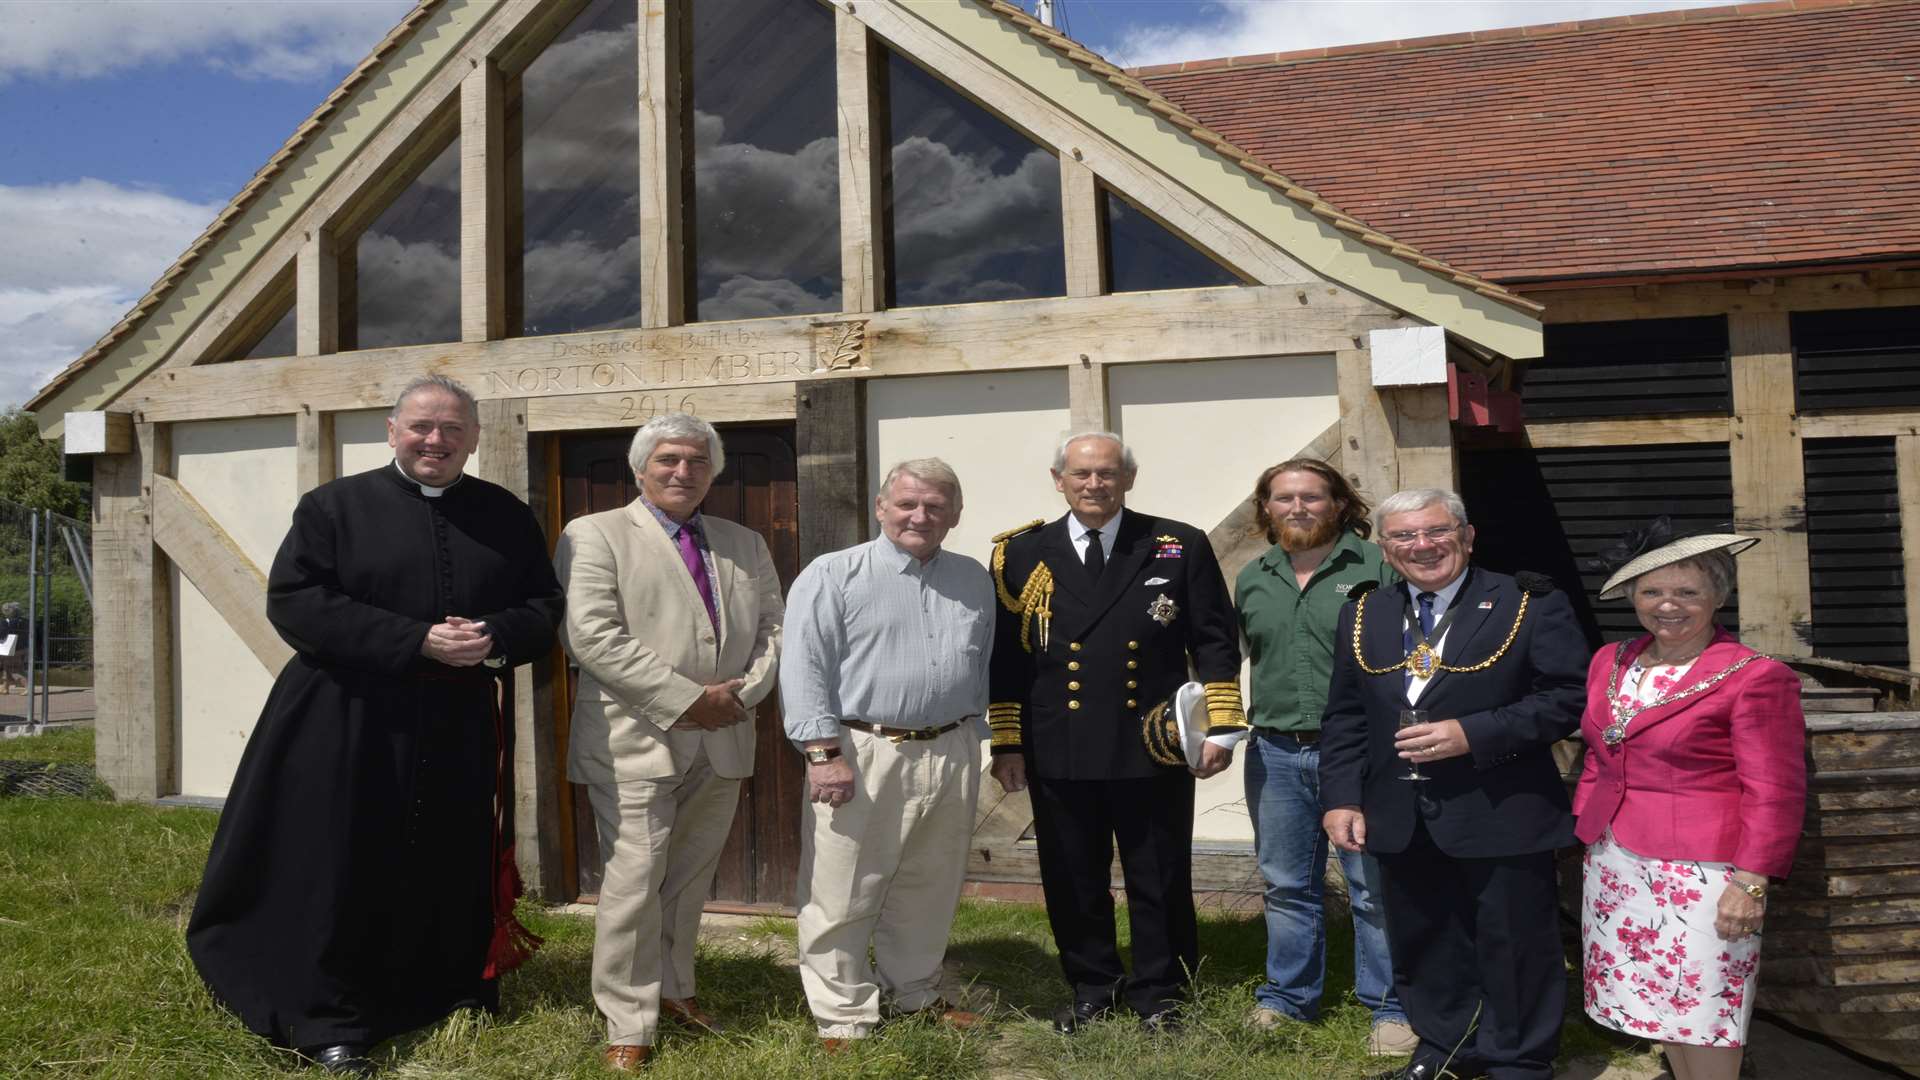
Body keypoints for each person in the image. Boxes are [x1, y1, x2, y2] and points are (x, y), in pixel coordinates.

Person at [187, 375, 564, 1077]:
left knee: (447, 853)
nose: (436, 441)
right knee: (339, 858)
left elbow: (543, 606)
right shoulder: (334, 507)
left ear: (474, 439)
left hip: (456, 720)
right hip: (345, 712)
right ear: (392, 432)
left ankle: (448, 985)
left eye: (453, 429)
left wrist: (492, 635)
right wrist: (416, 639)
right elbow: (297, 602)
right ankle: (327, 1015)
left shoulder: (505, 514)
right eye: (422, 426)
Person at [1319, 488, 1586, 1080]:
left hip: (1501, 805)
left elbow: (1568, 698)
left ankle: (1517, 1060)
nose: (1423, 546)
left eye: (1436, 531)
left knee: (1514, 943)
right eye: (1405, 537)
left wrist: (1475, 732)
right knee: (1424, 939)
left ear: (1466, 536)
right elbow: (1344, 715)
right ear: (1385, 550)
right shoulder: (1365, 613)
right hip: (1397, 809)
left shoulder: (1527, 602)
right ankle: (1445, 1050)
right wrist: (1340, 797)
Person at [988, 431, 1246, 1034]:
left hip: (1149, 744)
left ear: (1128, 479)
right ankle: (1092, 986)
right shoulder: (1021, 553)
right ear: (1059, 480)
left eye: (1107, 473)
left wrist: (1225, 727)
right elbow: (1006, 660)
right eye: (1081, 474)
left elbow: (1213, 641)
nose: (1094, 484)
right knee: (1073, 877)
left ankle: (1160, 993)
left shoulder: (1176, 543)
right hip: (1060, 746)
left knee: (1158, 877)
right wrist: (1007, 742)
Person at [555, 413, 784, 1073]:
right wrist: (687, 700)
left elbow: (776, 626)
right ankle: (628, 1018)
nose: (682, 472)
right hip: (634, 739)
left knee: (688, 877)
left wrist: (741, 695)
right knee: (634, 878)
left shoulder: (745, 542)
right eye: (668, 460)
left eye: (696, 461)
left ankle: (675, 988)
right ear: (640, 468)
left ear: (714, 471)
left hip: (725, 736)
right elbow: (590, 634)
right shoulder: (594, 534)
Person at [1575, 522, 1806, 1080]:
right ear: (1632, 597)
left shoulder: (1756, 677)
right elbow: (1599, 752)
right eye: (1652, 591)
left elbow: (1775, 790)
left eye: (1688, 592)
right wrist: (1586, 822)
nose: (1667, 605)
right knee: (1659, 1008)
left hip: (1703, 873)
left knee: (1706, 1009)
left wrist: (1750, 882)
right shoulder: (1611, 659)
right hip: (1616, 863)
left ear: (1719, 597)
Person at [782, 458, 993, 1050]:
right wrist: (823, 752)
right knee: (843, 887)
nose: (919, 516)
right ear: (881, 508)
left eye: (934, 506)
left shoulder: (974, 578)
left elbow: (980, 668)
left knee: (930, 883)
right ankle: (843, 1013)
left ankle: (916, 991)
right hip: (861, 748)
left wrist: (980, 744)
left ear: (954, 515)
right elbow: (803, 668)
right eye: (907, 503)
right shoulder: (834, 574)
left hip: (950, 748)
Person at [1235, 459, 1413, 1055]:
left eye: (1312, 497)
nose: (1298, 507)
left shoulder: (1378, 566)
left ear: (1339, 503)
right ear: (1266, 508)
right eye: (1283, 498)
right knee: (1286, 885)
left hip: (1359, 753)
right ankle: (1288, 997)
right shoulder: (1253, 576)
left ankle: (1390, 1007)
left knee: (1373, 887)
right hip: (1275, 753)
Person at [0, 601, 25, 694]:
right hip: (21, 647)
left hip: (11, 648)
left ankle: (27, 686)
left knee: (14, 669)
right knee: (8, 668)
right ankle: (5, 687)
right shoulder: (23, 621)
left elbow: (2, 634)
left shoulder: (8, 622)